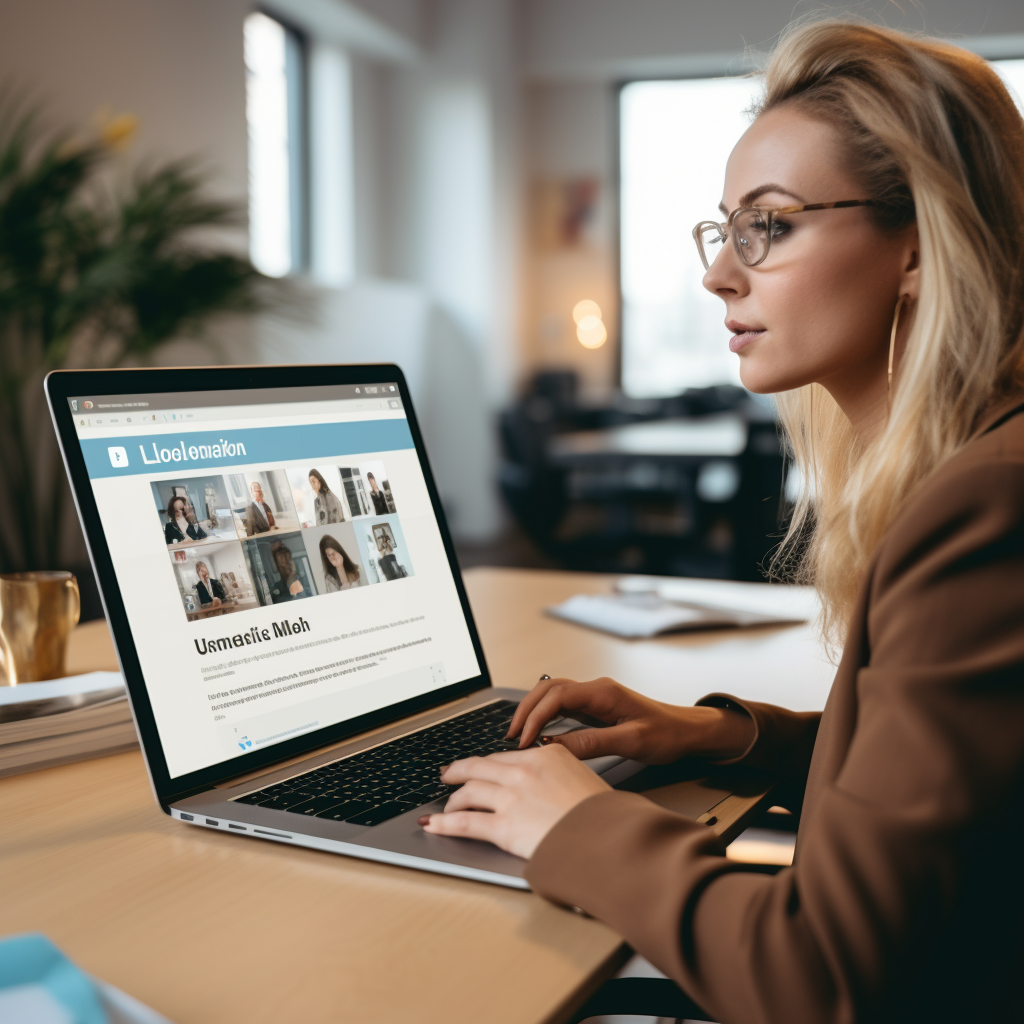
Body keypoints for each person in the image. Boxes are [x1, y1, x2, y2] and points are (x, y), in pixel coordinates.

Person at [419, 22, 1024, 1022]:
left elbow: (824, 975)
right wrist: (712, 735)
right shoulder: (981, 466)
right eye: (725, 228)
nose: (719, 275)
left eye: (772, 226)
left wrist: (578, 824)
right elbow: (957, 778)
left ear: (918, 244)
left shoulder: (985, 502)